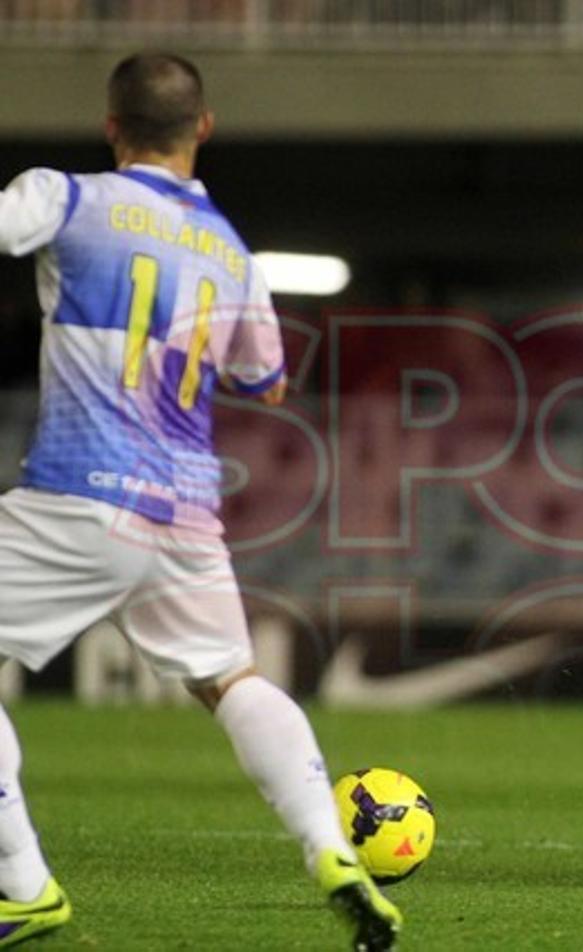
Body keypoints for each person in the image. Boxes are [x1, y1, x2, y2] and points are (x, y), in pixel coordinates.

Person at [0, 53, 400, 949]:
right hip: (184, 515)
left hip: (81, 492)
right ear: (203, 128)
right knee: (231, 681)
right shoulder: (230, 251)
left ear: (111, 126)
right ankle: (332, 850)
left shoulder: (68, 197)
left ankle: (22, 885)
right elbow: (266, 379)